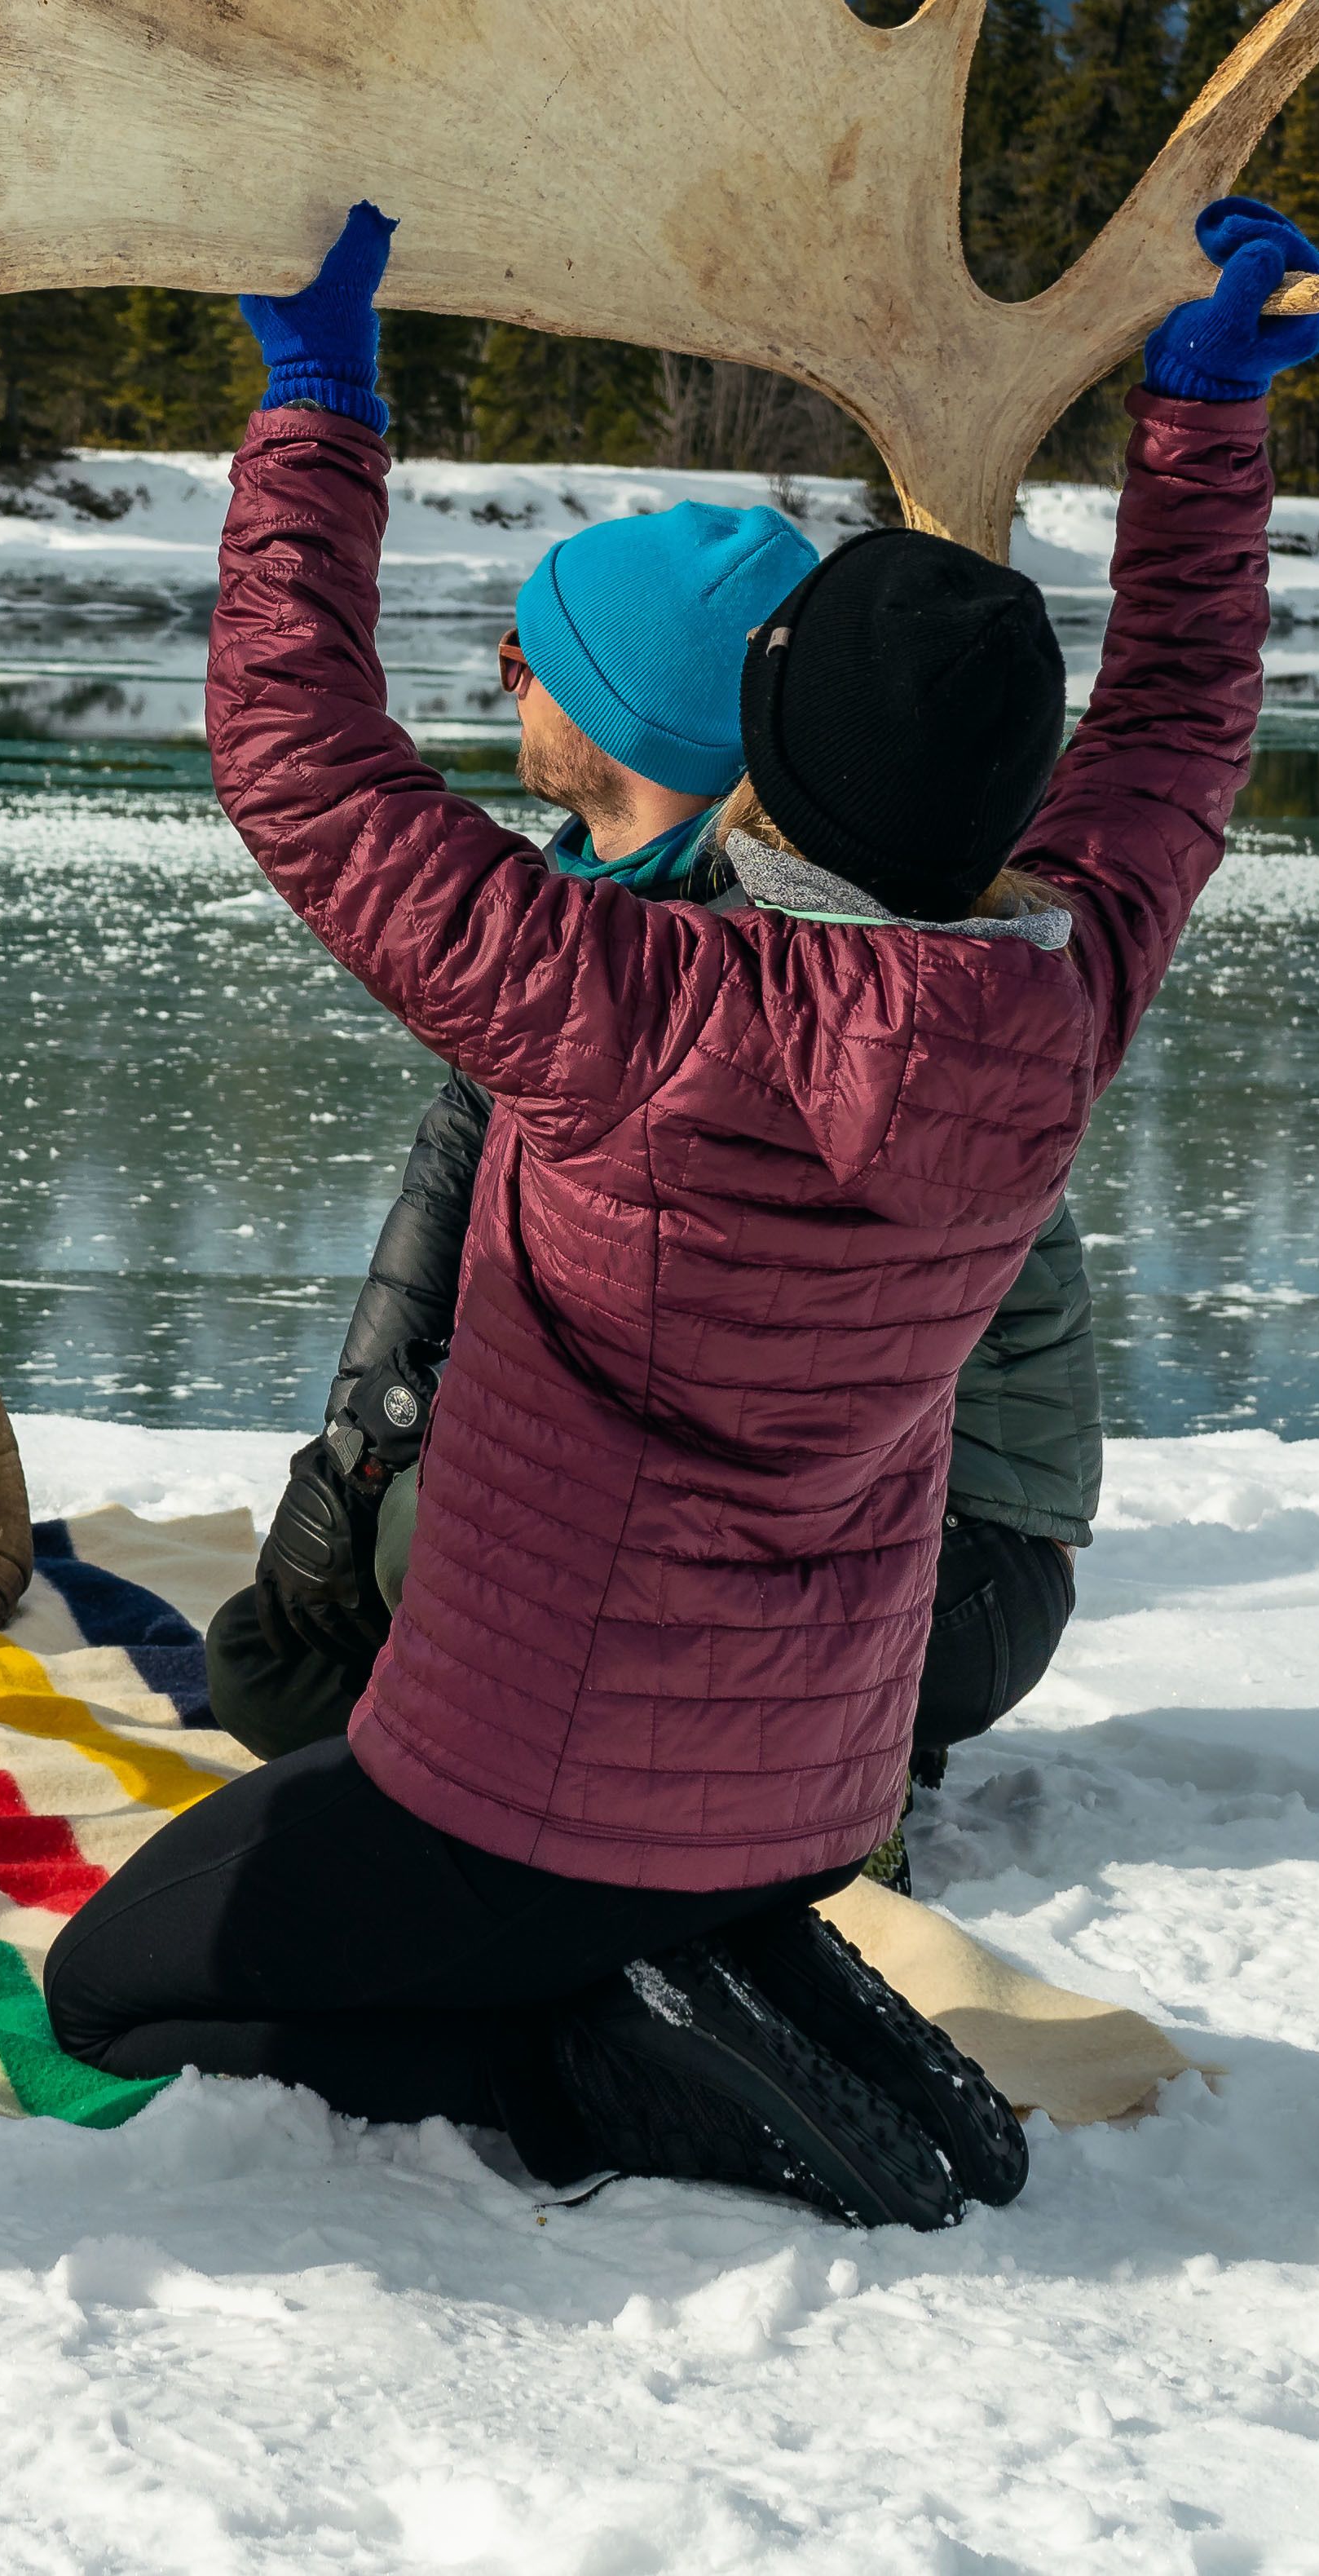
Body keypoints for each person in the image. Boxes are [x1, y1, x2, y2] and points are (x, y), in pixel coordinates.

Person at [46, 192, 1319, 2226]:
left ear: (766, 775)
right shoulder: (1061, 989)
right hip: (807, 1776)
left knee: (108, 1991)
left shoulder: (620, 998)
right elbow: (1178, 728)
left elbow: (299, 760)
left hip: (529, 1779)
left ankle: (604, 2054)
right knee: (265, 1859)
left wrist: (319, 406)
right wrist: (1209, 429)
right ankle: (718, 1950)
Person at [206, 493, 1110, 1857]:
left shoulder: (719, 984)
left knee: (410, 1589)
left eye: (534, 657)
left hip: (938, 1572)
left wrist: (387, 1490)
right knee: (306, 1643)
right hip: (885, 1559)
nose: (503, 675)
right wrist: (355, 1455)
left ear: (632, 721)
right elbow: (448, 1228)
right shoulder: (649, 931)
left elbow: (301, 761)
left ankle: (777, 1777)